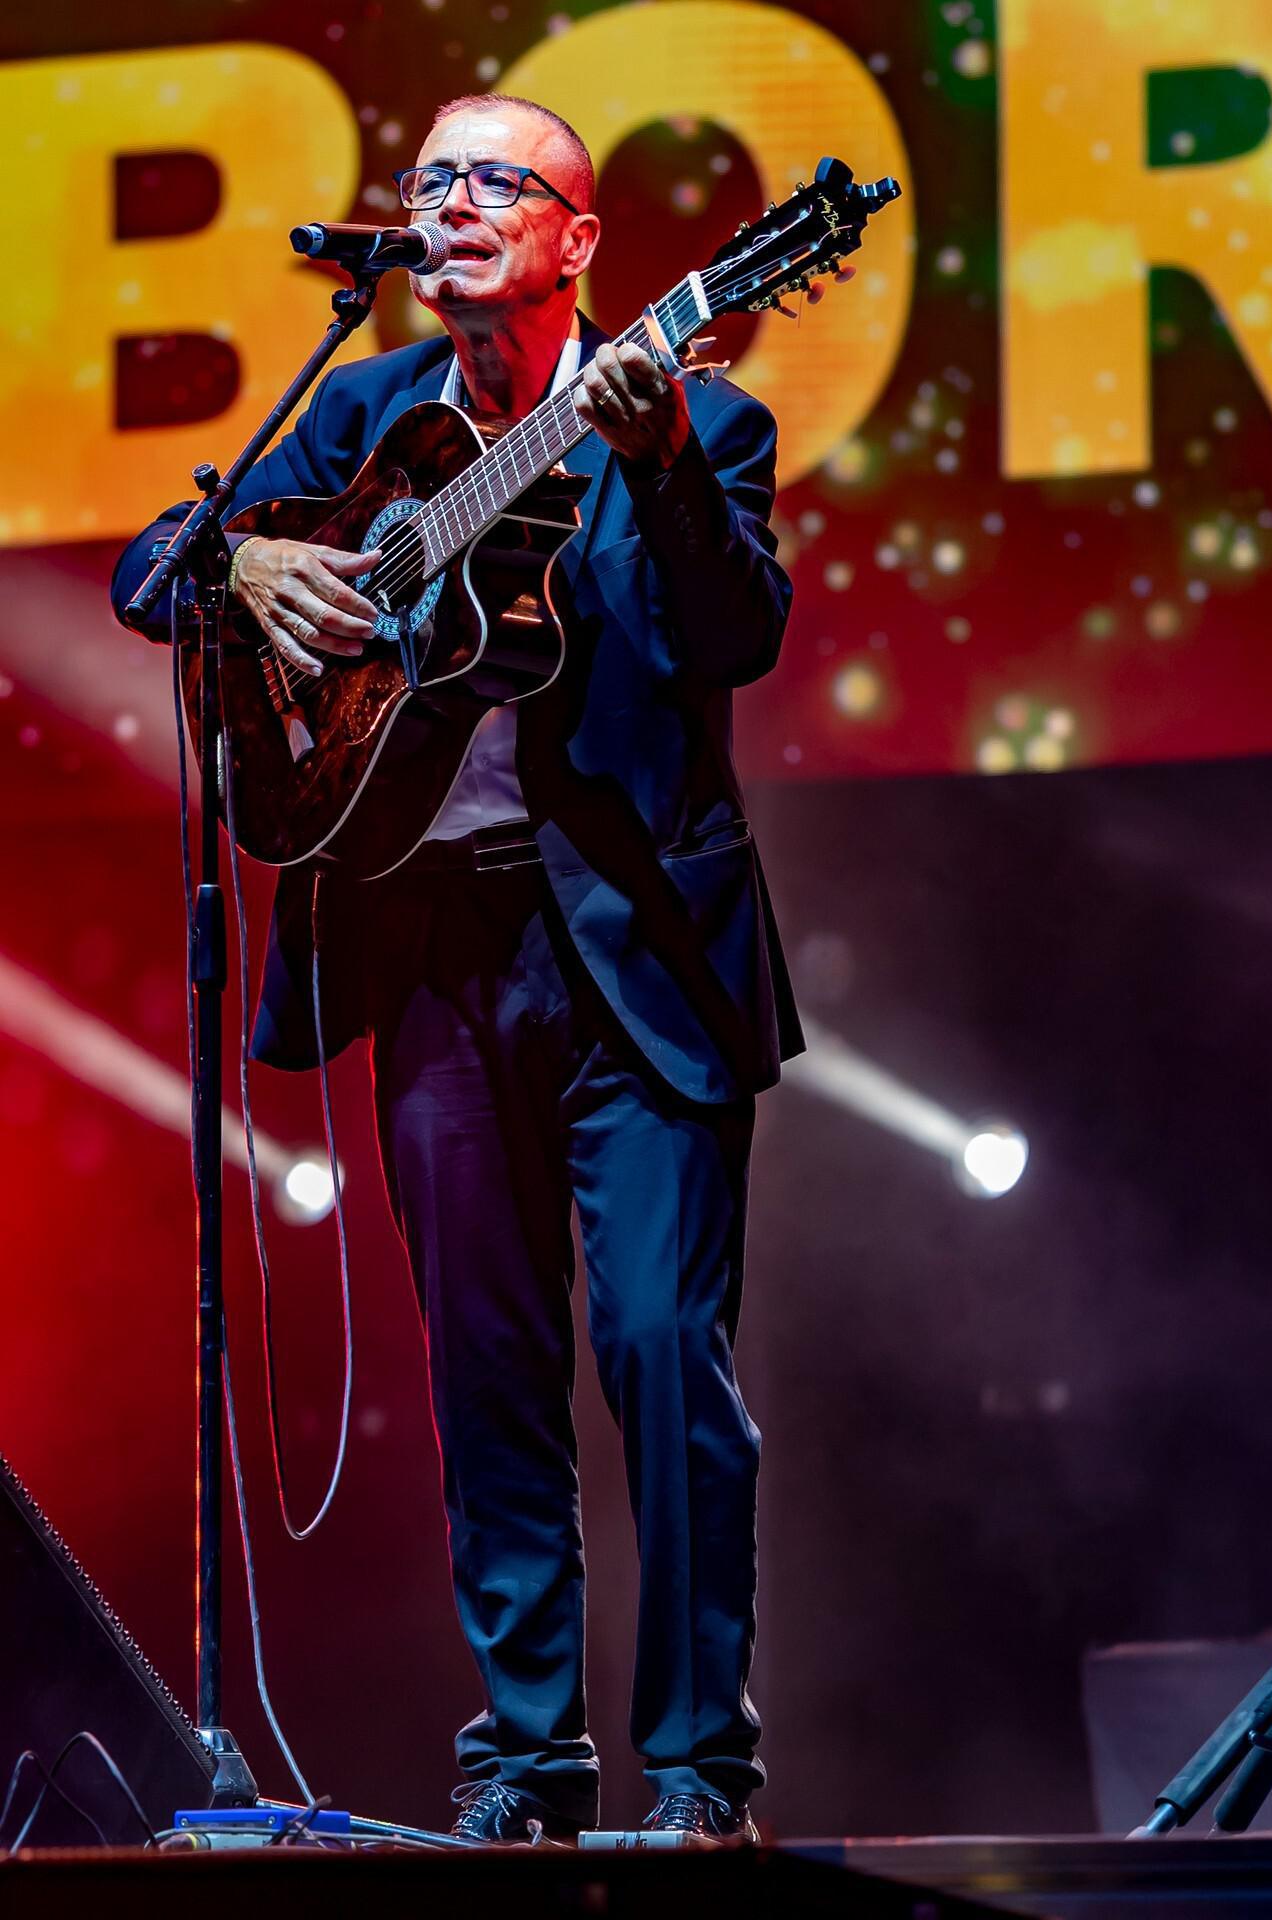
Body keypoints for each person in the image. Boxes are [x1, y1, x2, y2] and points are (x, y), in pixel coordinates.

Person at [112, 92, 801, 1845]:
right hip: (428, 950)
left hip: (635, 960)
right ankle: (527, 1764)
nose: (456, 204)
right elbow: (147, 570)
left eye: (500, 180)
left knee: (661, 1348)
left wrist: (657, 457)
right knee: (488, 1372)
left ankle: (701, 1772)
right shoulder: (362, 414)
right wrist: (251, 559)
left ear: (581, 241)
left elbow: (738, 635)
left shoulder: (704, 416)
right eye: (432, 181)